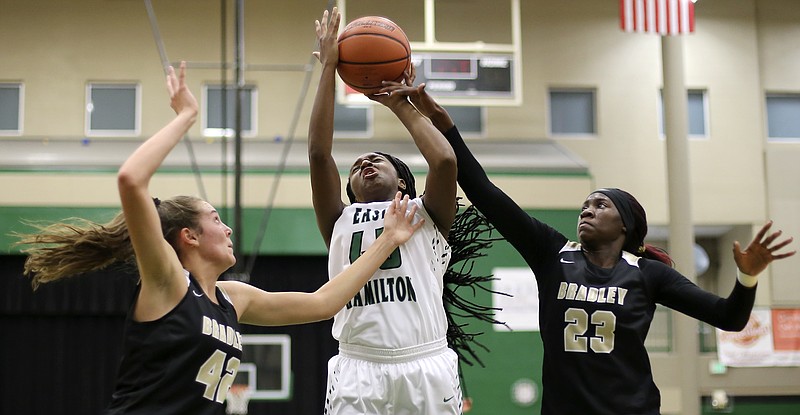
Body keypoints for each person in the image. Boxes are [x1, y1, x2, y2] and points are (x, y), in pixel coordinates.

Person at [15, 62, 425, 415]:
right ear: (189, 236)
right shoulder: (168, 284)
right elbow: (130, 180)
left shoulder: (233, 298)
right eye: (216, 219)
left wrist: (388, 240)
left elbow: (325, 303)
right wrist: (187, 115)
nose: (228, 228)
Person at [394, 83, 797, 414]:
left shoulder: (647, 273)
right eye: (585, 204)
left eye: (600, 204)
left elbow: (729, 318)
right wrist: (443, 123)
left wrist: (748, 276)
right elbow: (483, 190)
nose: (587, 209)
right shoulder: (553, 254)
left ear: (625, 223)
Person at [309, 8, 464, 415]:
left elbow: (446, 163)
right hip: (358, 365)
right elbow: (318, 154)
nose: (364, 164)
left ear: (402, 182)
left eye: (377, 159)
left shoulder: (425, 214)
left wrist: (401, 105)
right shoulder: (338, 221)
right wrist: (329, 67)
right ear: (351, 191)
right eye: (357, 165)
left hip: (424, 360)